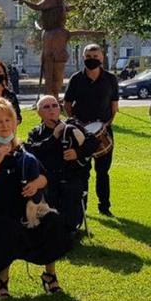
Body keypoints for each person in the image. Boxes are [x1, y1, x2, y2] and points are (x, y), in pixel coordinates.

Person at [0, 98, 72, 298]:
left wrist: (36, 184)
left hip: (27, 210)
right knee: (7, 226)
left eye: (8, 120)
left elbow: (45, 178)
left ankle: (50, 275)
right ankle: (2, 282)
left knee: (53, 221)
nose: (4, 125)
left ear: (15, 122)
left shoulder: (24, 149)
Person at [25, 95, 97, 237]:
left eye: (55, 105)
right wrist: (54, 137)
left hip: (71, 176)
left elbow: (93, 142)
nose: (51, 109)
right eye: (46, 107)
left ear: (60, 109)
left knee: (71, 191)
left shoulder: (72, 125)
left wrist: (78, 153)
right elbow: (33, 151)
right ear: (39, 112)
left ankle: (69, 228)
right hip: (48, 178)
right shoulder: (35, 133)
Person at [63, 44, 120, 216]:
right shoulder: (75, 79)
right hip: (81, 132)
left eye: (95, 56)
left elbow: (114, 106)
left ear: (102, 58)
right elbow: (67, 105)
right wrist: (78, 125)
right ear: (83, 58)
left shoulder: (110, 79)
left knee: (103, 172)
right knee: (82, 171)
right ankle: (82, 207)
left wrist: (104, 126)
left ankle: (104, 207)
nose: (92, 59)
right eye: (88, 56)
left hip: (103, 131)